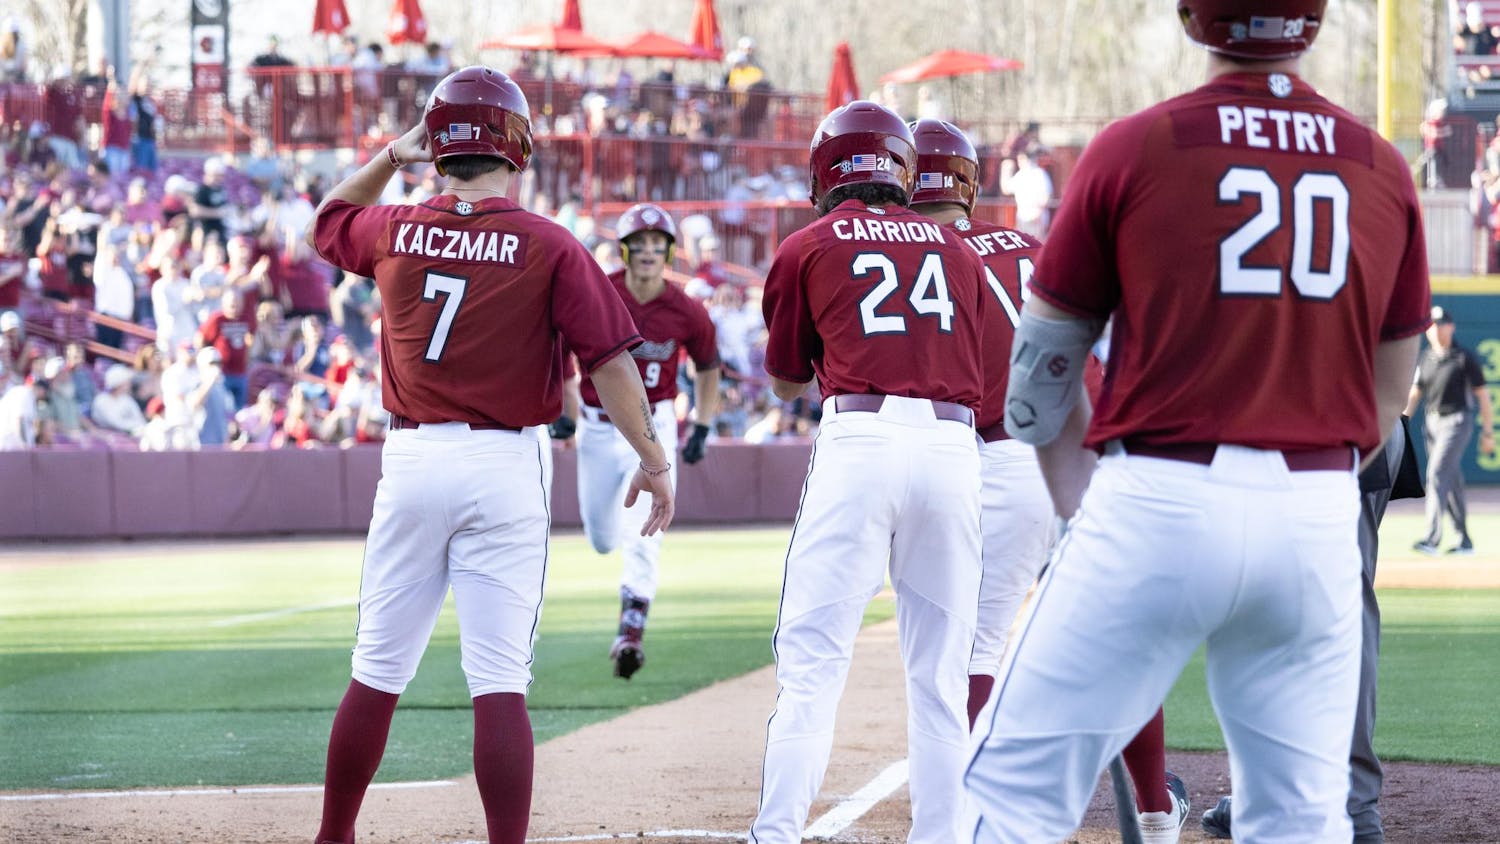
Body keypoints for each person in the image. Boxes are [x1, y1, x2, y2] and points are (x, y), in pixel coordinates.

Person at [964, 3, 1430, 843]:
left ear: (1192, 18)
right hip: (1317, 509)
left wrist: (1078, 501)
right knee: (1300, 819)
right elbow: (1389, 399)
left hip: (1160, 493)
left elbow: (1038, 378)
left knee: (1016, 795)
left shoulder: (1136, 144)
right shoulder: (1382, 166)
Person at [304, 65, 674, 844]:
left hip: (410, 461)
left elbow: (329, 217)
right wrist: (653, 459)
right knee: (500, 683)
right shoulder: (548, 243)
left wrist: (393, 155)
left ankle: (332, 837)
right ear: (517, 144)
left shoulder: (394, 225)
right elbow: (610, 364)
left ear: (438, 148)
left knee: (376, 672)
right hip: (506, 464)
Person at [908, 117, 1189, 844]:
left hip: (992, 453)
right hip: (1092, 446)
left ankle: (984, 819)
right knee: (1119, 637)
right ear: (971, 182)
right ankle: (1157, 810)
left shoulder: (918, 257)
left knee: (974, 649)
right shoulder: (1031, 243)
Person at [750, 100, 987, 844]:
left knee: (813, 663)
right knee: (943, 677)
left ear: (827, 168)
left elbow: (787, 380)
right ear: (901, 168)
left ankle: (777, 833)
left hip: (861, 438)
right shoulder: (957, 249)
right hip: (954, 448)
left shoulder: (809, 244)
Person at [1201, 419, 1425, 843]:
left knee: (1334, 610)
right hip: (1339, 424)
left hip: (1332, 427)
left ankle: (1350, 808)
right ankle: (1273, 794)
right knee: (1284, 606)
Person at [562, 202, 720, 680]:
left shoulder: (686, 308)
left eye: (657, 245)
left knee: (645, 532)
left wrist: (705, 424)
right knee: (601, 537)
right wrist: (566, 413)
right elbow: (562, 351)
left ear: (669, 252)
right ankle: (624, 579)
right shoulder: (600, 292)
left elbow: (709, 366)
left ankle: (632, 627)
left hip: (656, 426)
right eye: (640, 245)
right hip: (596, 422)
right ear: (625, 251)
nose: (648, 253)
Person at [1407, 305, 1494, 554]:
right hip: (1432, 423)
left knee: (1435, 474)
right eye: (1432, 325)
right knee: (1451, 480)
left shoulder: (1464, 357)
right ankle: (1464, 541)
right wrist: (1403, 420)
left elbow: (1483, 396)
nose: (1436, 329)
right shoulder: (1426, 358)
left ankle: (1431, 539)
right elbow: (1416, 393)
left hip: (1457, 422)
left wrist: (1488, 433)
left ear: (1451, 327)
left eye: (1441, 324)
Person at [999, 149, 1052, 239]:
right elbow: (1006, 189)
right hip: (1023, 218)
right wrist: (1005, 170)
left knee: (1036, 246)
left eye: (1020, 159)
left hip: (1036, 219)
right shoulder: (1020, 175)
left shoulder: (1040, 174)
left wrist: (1038, 214)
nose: (1019, 162)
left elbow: (1046, 196)